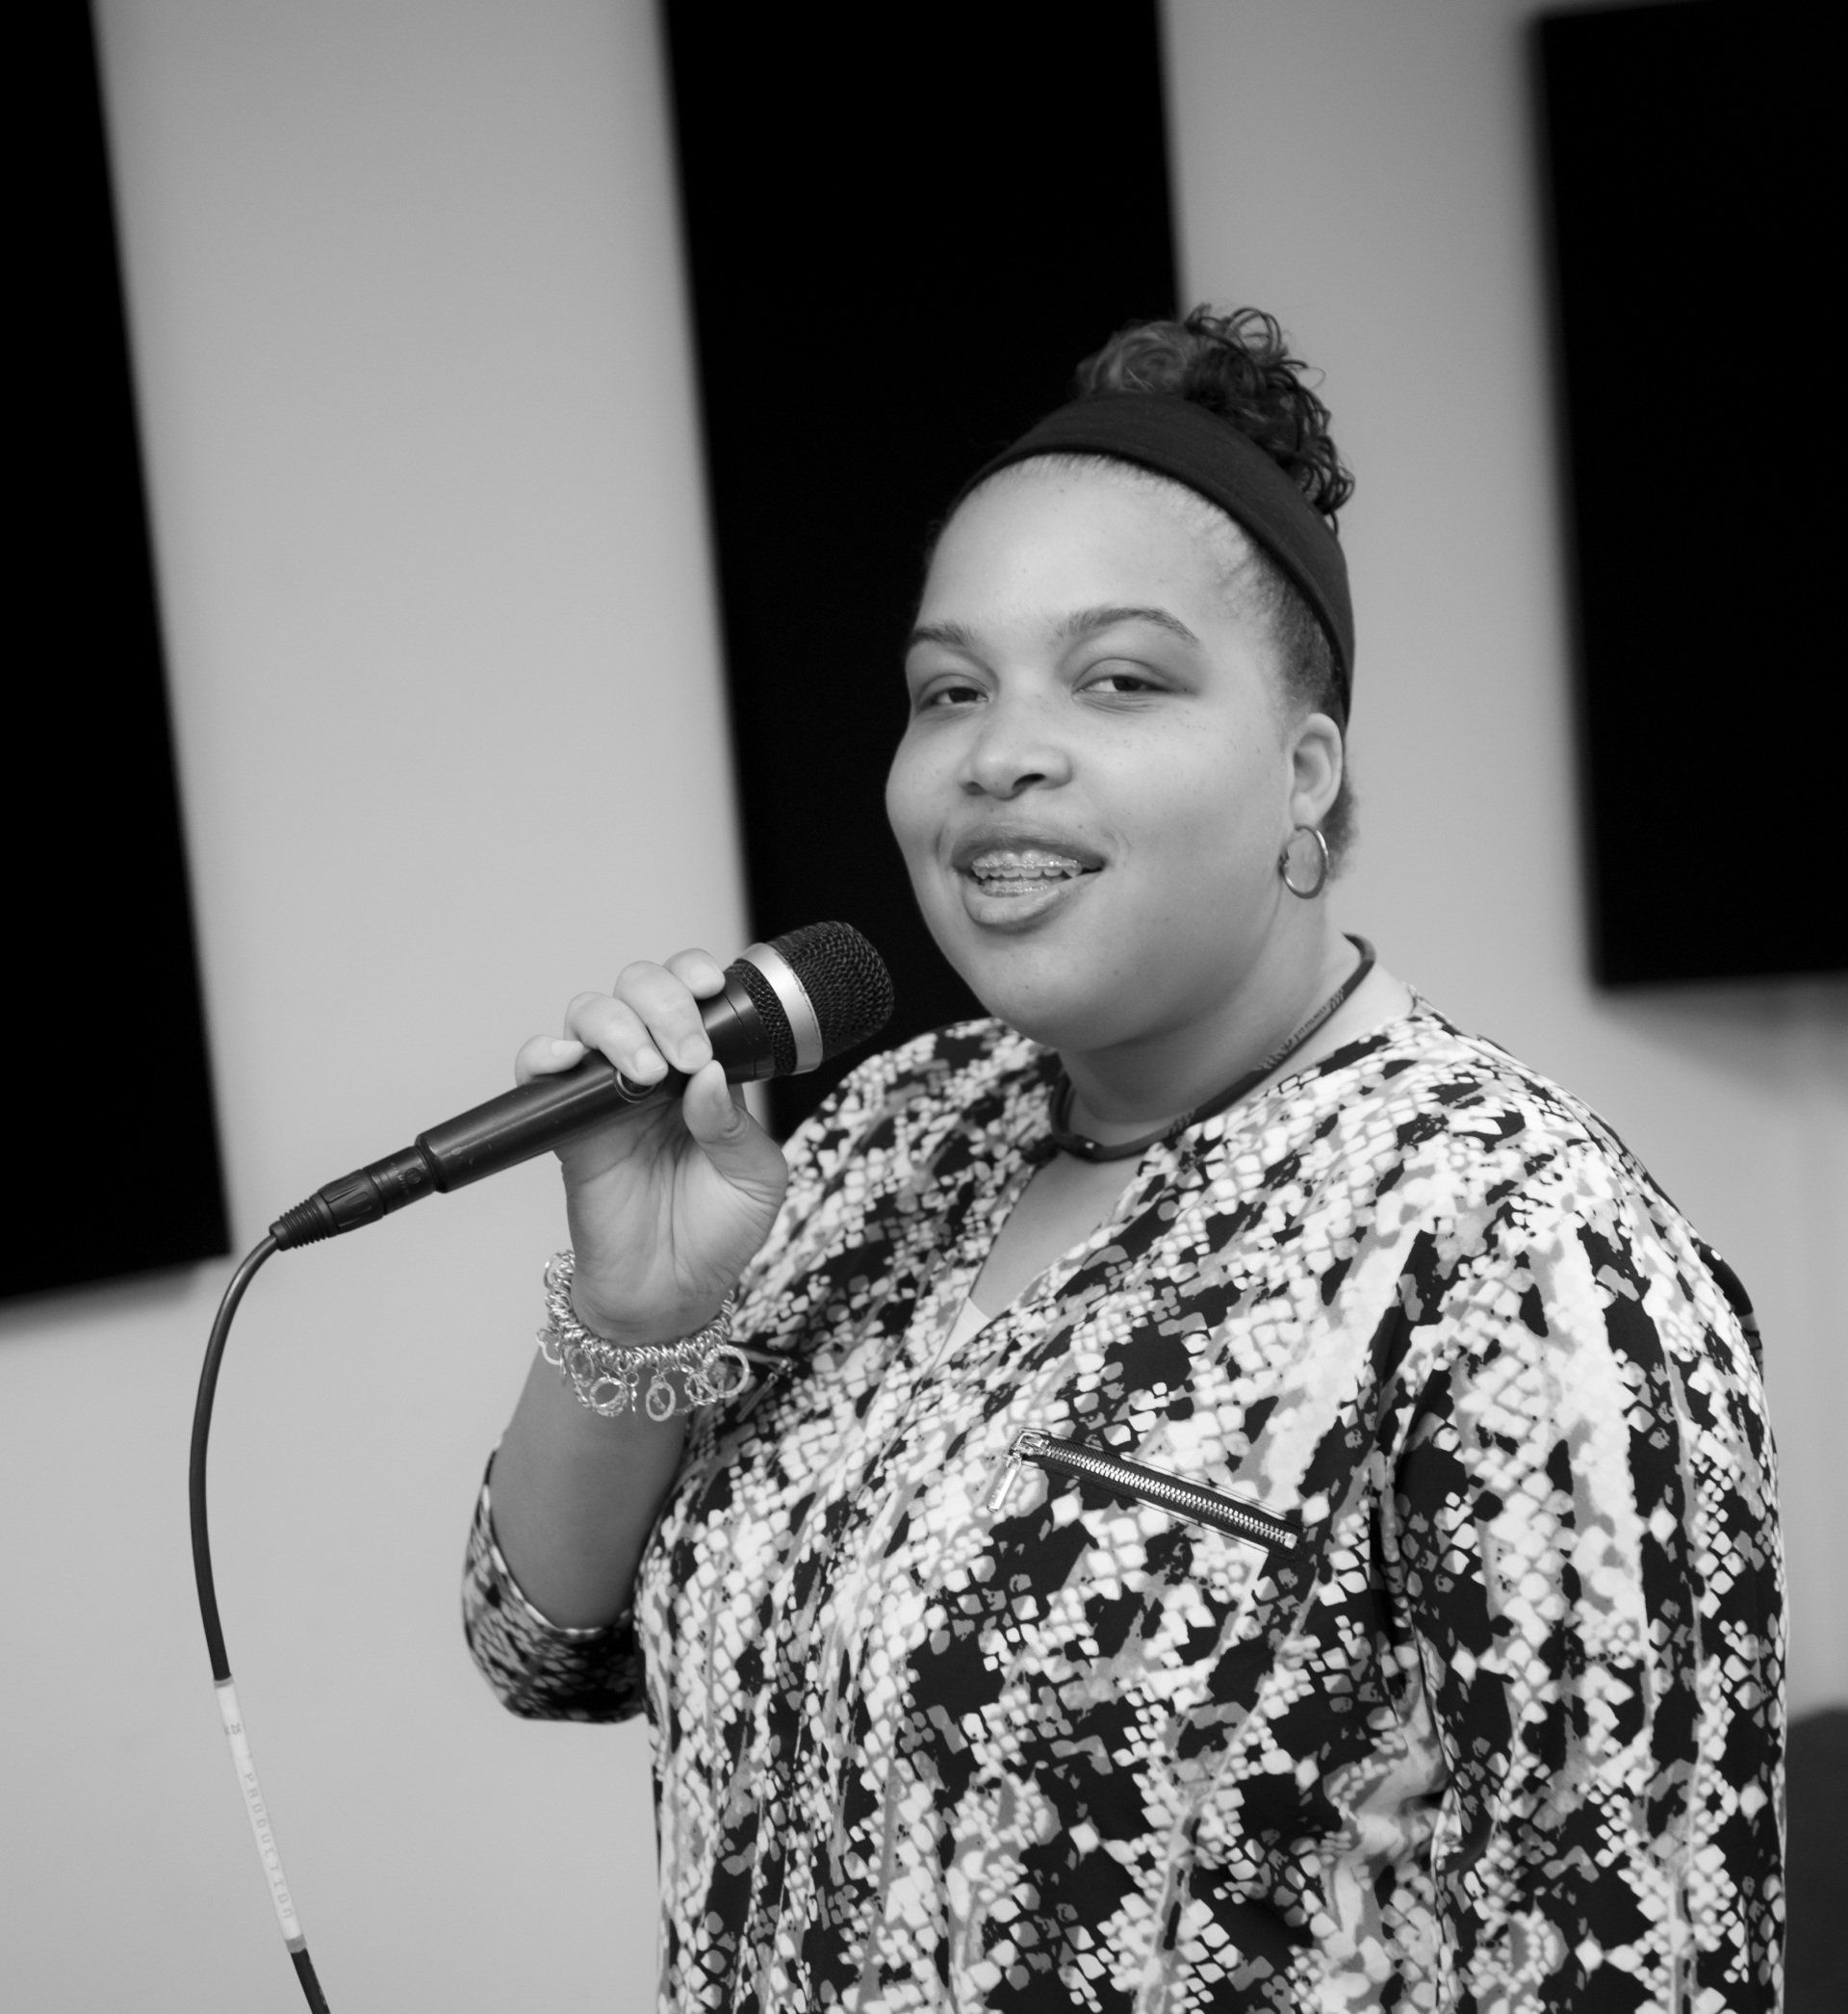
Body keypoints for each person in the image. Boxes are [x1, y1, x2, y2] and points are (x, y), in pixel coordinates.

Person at [463, 309, 1784, 2011]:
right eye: (950, 690)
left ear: (1307, 773)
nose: (999, 750)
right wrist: (640, 1313)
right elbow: (535, 1647)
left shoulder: (1511, 1246)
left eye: (1121, 679)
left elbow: (1640, 1964)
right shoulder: (883, 1136)